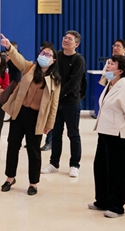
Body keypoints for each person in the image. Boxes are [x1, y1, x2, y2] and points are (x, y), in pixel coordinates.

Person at [0, 34, 61, 195]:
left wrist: (49, 124)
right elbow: (18, 59)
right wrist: (9, 47)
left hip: (36, 118)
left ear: (53, 61)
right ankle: (10, 178)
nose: (44, 56)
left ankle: (33, 183)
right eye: (42, 53)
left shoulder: (55, 80)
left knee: (33, 151)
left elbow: (54, 105)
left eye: (48, 55)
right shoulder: (30, 68)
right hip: (19, 113)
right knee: (13, 146)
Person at [89, 55, 125, 218]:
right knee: (100, 167)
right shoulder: (109, 84)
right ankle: (102, 200)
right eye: (108, 63)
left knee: (116, 170)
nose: (107, 66)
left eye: (112, 64)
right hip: (104, 132)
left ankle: (117, 206)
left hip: (118, 135)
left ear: (120, 70)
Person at [41, 30, 86, 178]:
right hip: (56, 102)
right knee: (56, 134)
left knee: (73, 134)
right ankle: (54, 163)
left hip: (71, 102)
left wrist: (58, 95)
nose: (65, 40)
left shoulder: (78, 59)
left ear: (76, 44)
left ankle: (74, 165)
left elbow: (74, 82)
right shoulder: (57, 56)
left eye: (69, 39)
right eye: (65, 37)